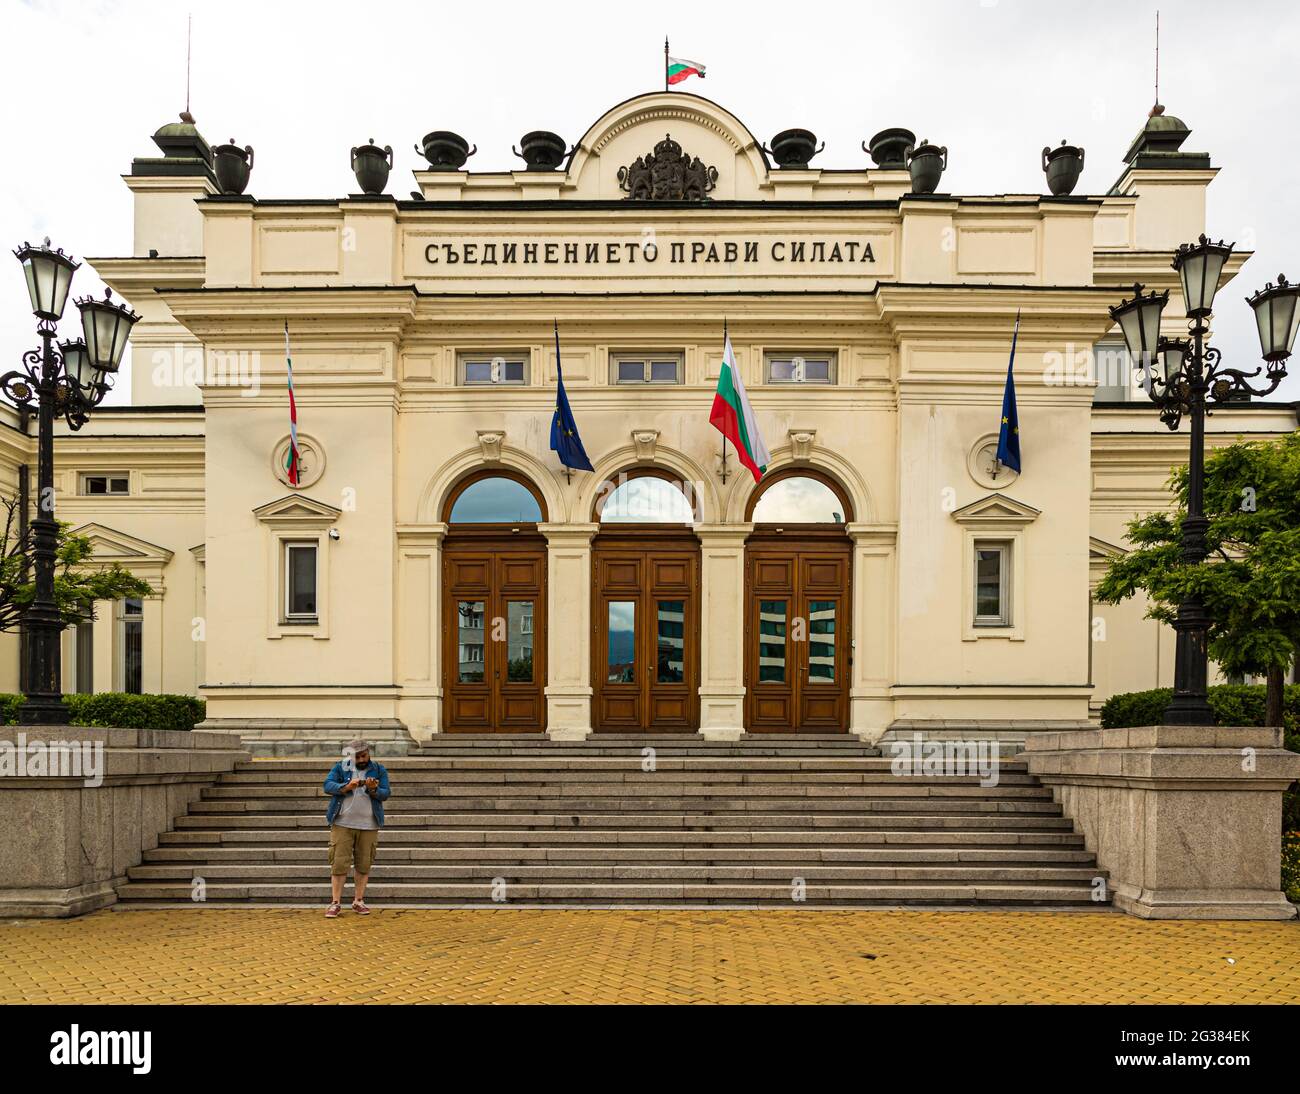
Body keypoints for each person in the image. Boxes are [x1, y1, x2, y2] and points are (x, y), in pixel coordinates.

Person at [322, 739, 390, 918]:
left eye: (364, 756)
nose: (361, 760)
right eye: (357, 757)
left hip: (369, 824)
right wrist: (346, 787)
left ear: (369, 753)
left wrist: (374, 789)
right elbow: (327, 786)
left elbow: (386, 793)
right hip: (342, 823)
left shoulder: (379, 769)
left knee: (363, 863)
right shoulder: (340, 767)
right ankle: (335, 903)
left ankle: (358, 900)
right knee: (338, 863)